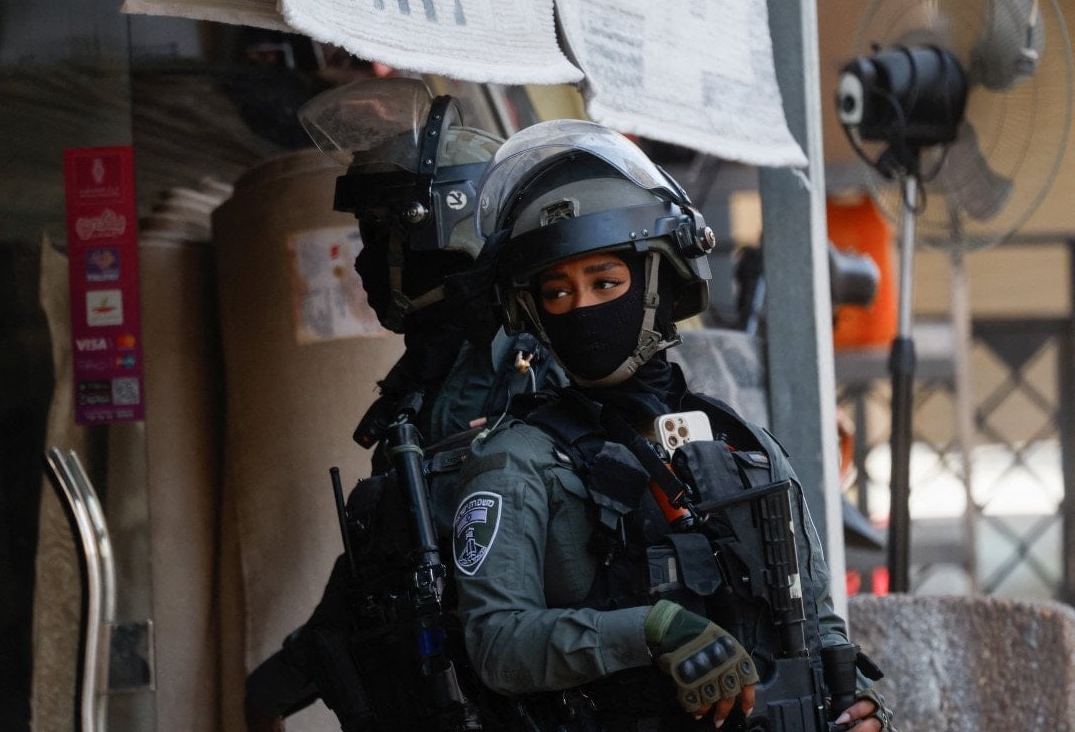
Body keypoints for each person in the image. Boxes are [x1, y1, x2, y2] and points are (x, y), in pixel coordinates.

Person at [452, 119, 893, 732]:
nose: (582, 308)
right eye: (557, 293)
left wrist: (860, 705)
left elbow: (814, 621)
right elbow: (498, 644)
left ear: (656, 282)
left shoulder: (745, 445)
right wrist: (651, 629)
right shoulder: (518, 460)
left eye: (605, 282)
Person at [244, 78, 563, 732]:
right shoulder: (430, 370)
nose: (364, 260)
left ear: (434, 235)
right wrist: (280, 685)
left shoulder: (524, 371)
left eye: (378, 234)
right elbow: (382, 570)